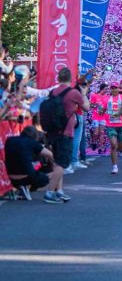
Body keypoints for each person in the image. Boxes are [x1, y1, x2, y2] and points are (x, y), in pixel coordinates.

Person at [40, 67, 88, 204]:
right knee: (62, 163)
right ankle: (49, 192)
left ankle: (58, 191)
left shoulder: (52, 92)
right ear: (70, 78)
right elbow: (86, 108)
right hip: (66, 132)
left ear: (58, 78)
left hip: (51, 132)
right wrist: (84, 93)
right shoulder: (74, 93)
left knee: (56, 162)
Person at [4, 126, 53, 200]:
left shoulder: (9, 140)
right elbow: (50, 154)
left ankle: (23, 188)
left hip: (11, 178)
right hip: (27, 176)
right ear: (34, 136)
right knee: (45, 178)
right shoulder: (32, 142)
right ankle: (27, 187)